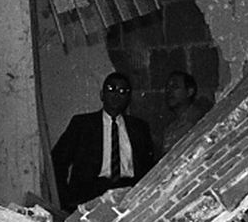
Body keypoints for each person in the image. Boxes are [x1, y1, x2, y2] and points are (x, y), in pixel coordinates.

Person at [51, 72, 158, 214]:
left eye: (122, 91)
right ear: (102, 94)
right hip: (91, 194)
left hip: (127, 195)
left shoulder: (139, 128)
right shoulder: (82, 124)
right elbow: (58, 161)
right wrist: (65, 199)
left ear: (128, 98)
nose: (116, 95)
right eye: (111, 89)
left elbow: (148, 167)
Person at [159, 69, 211, 150]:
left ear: (189, 92)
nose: (169, 91)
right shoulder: (171, 128)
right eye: (167, 87)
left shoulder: (198, 121)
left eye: (175, 87)